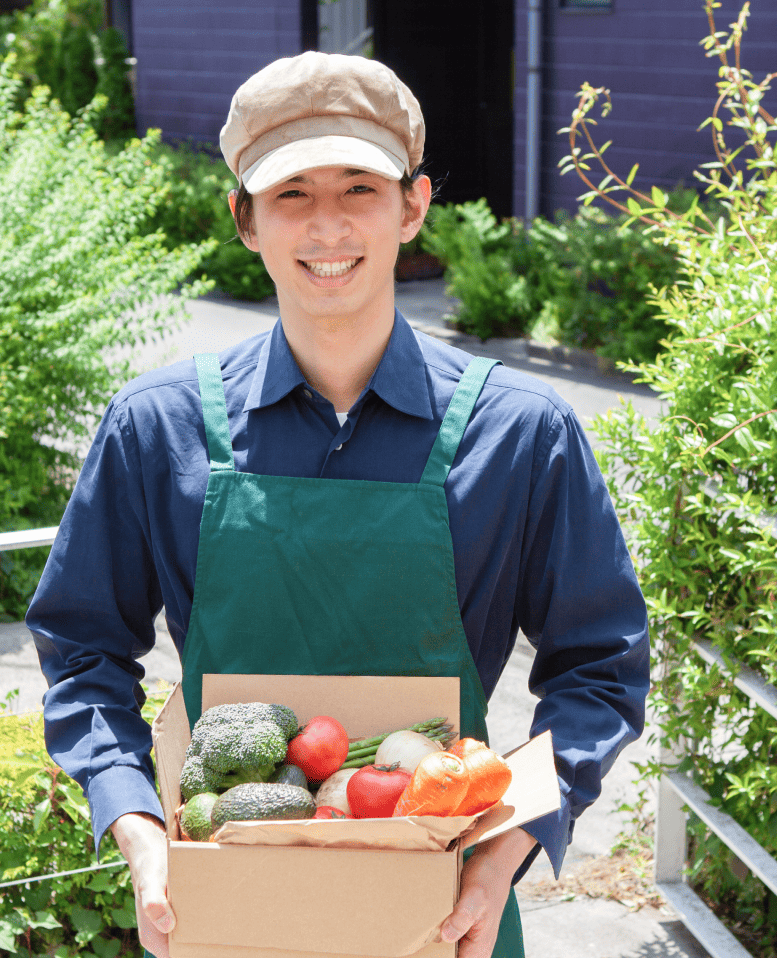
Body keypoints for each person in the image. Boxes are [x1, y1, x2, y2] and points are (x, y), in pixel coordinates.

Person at [27, 52, 649, 958]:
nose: (328, 225)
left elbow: (600, 672)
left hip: (444, 906)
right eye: (290, 193)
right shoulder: (157, 428)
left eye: (359, 185)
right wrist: (139, 829)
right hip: (221, 901)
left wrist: (503, 850)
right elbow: (83, 654)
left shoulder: (521, 433)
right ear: (243, 217)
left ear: (414, 205)